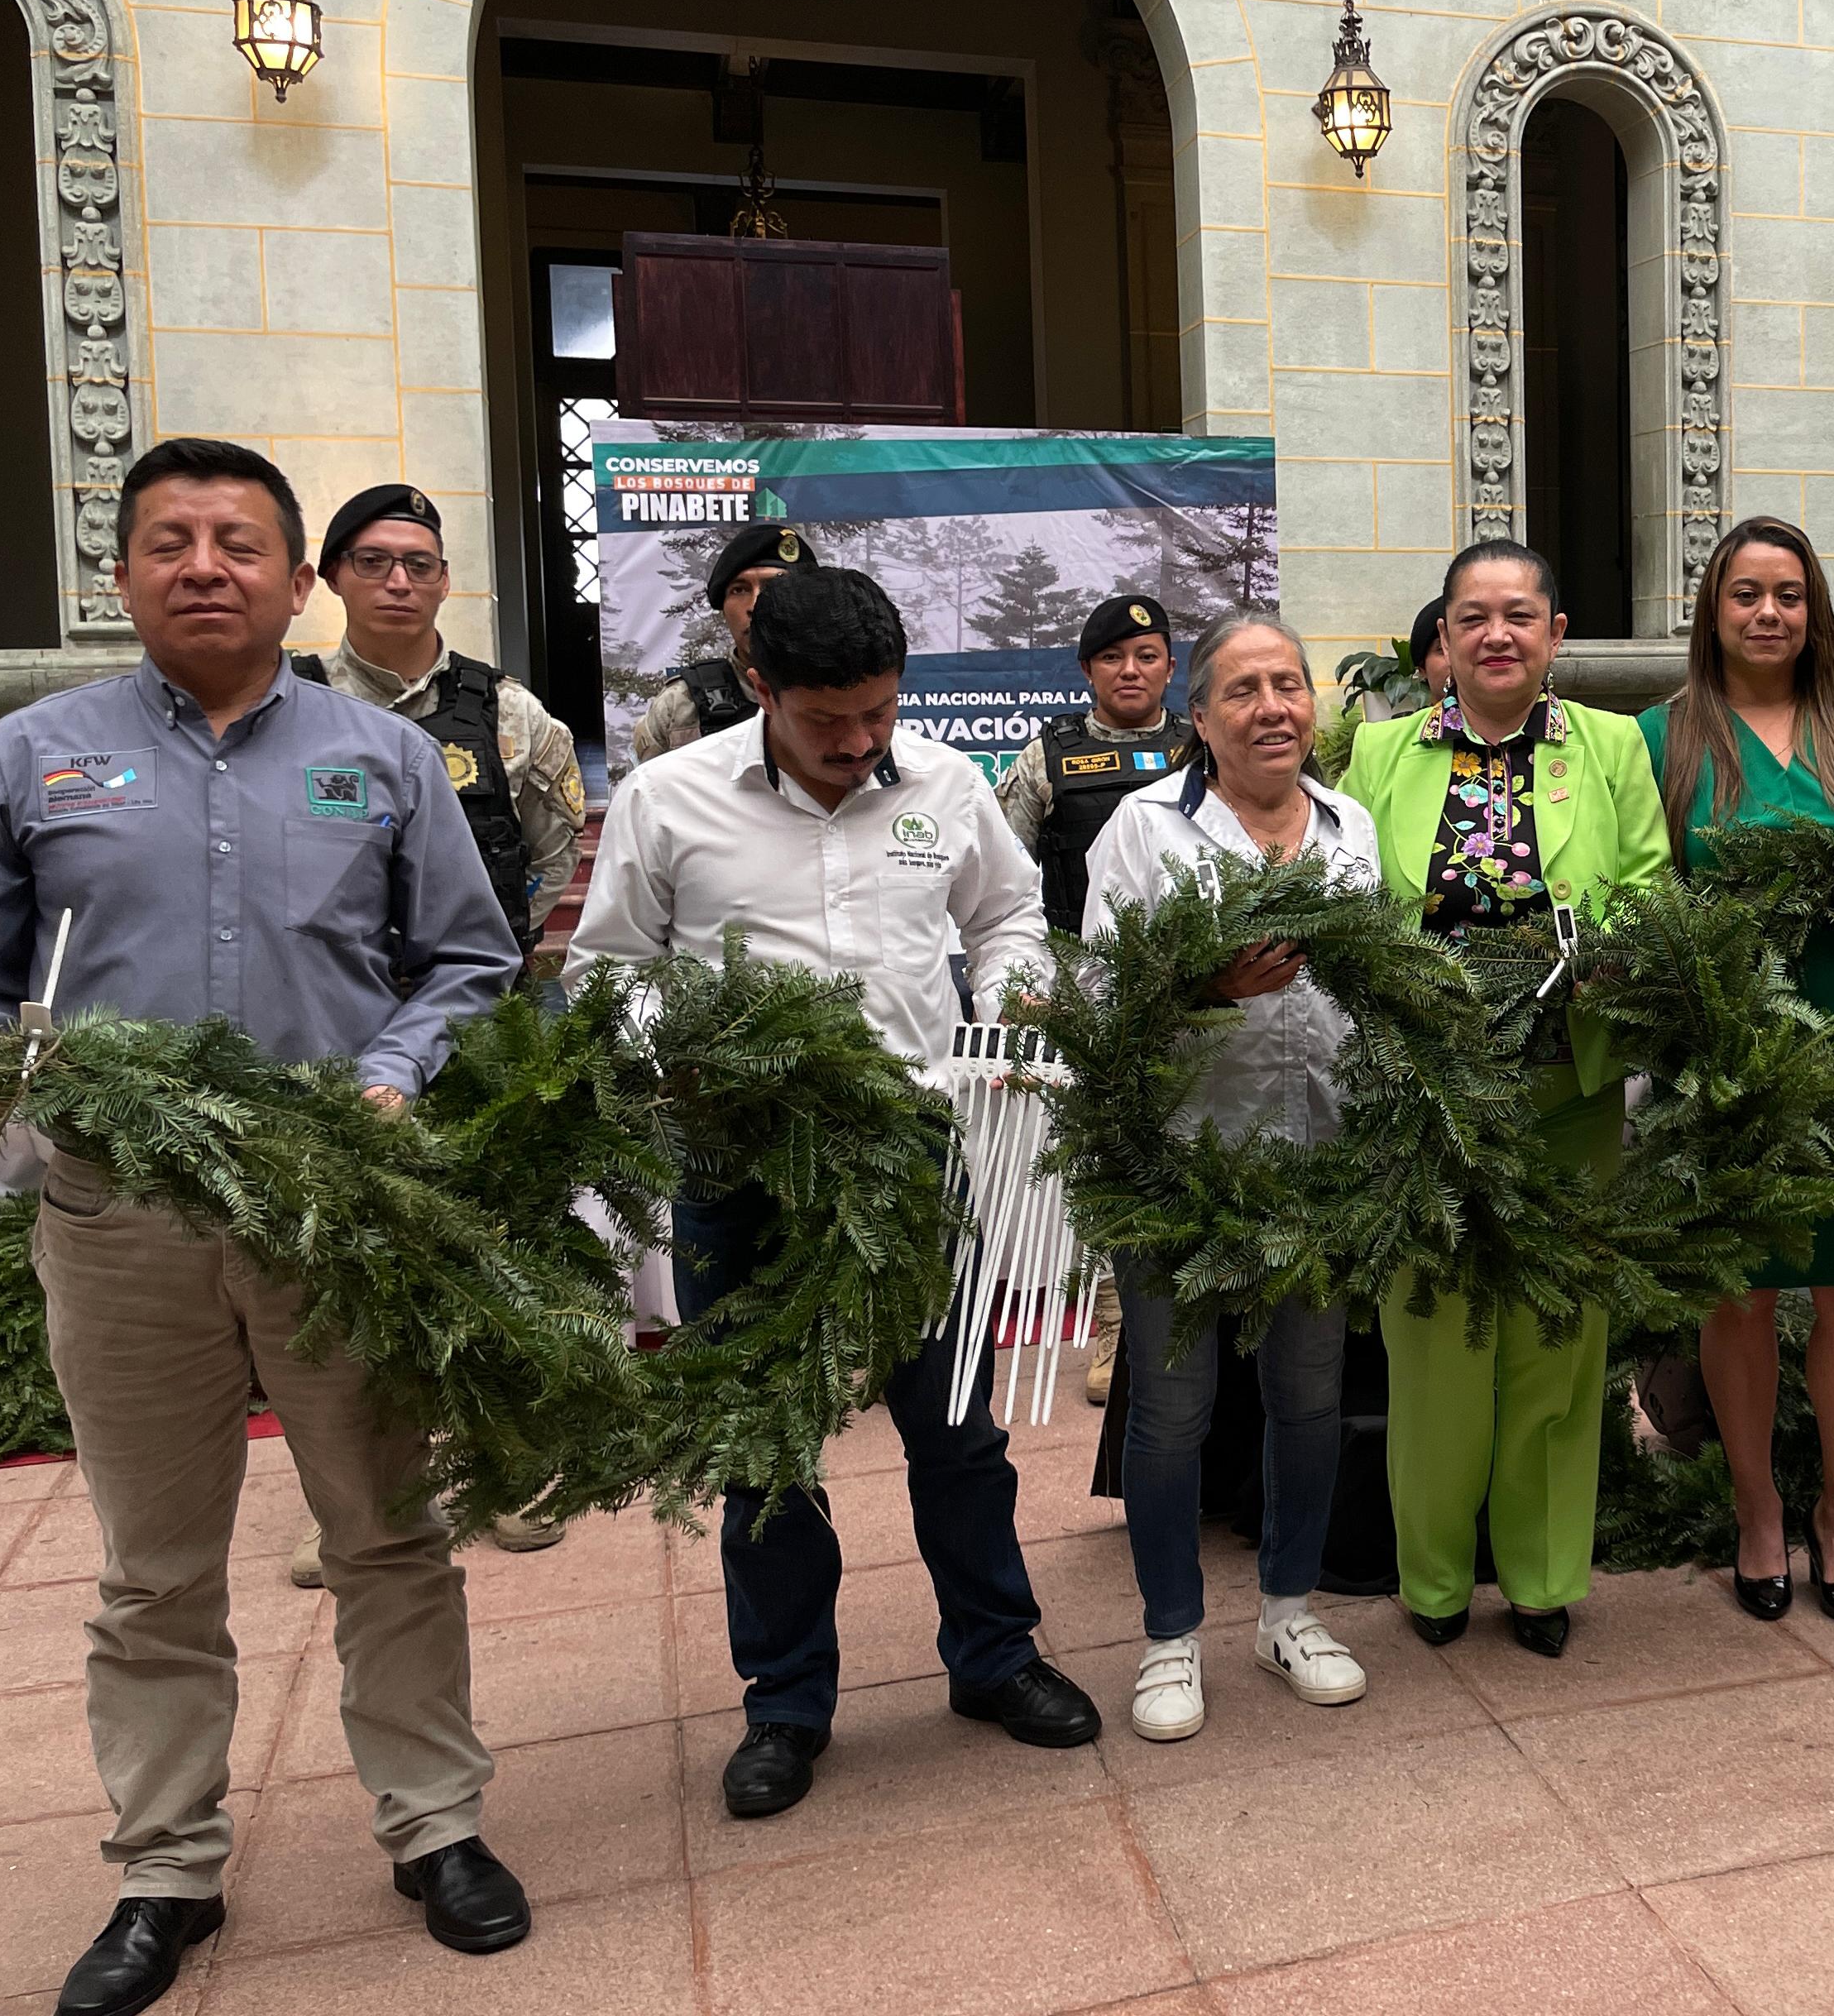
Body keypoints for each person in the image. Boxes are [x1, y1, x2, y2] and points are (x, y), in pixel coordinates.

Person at [0, 439, 533, 2014]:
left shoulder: (384, 757)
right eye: (168, 541)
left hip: (333, 1206)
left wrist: (394, 1075)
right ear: (124, 573)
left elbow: (464, 961)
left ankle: (436, 1825)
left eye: (236, 542)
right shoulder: (28, 756)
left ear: (296, 577)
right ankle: (164, 1867)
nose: (203, 565)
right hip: (114, 1210)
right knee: (154, 1564)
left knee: (385, 1531)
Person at [567, 567, 1101, 1819]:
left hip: (916, 1160)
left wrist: (1013, 988)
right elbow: (607, 976)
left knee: (958, 1433)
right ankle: (786, 1704)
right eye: (829, 722)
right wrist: (691, 1043)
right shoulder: (669, 800)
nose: (860, 744)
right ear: (760, 687)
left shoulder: (948, 786)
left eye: (879, 714)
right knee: (767, 1446)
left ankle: (996, 1657)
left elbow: (1009, 916)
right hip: (741, 1170)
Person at [1337, 541, 1672, 1657]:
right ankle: (1432, 1579)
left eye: (1520, 614)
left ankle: (1539, 1577)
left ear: (1555, 633)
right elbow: (1345, 895)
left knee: (1557, 1340)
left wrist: (1608, 956)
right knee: (1430, 1345)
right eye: (1474, 615)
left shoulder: (1612, 744)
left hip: (1564, 1082)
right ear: (1444, 636)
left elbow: (1647, 882)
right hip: (1423, 1093)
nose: (1497, 634)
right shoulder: (1380, 754)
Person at [1081, 615, 1374, 1741]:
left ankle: (1289, 1612)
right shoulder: (1144, 831)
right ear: (1198, 718)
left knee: (1307, 1397)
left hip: (1318, 1163)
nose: (1273, 708)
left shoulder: (1350, 829)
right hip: (1179, 1169)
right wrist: (1208, 989)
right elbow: (1102, 1003)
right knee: (1172, 1409)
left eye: (1290, 685)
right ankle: (1169, 1637)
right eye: (1243, 690)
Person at [288, 481, 587, 1580]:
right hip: (336, 1027)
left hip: (481, 1022)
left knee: (496, 1239)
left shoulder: (509, 715)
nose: (400, 582)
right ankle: (354, 1503)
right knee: (344, 1264)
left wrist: (494, 946)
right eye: (374, 562)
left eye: (420, 563)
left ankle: (501, 1472)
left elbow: (554, 846)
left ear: (446, 579)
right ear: (331, 579)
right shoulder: (290, 703)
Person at [1637, 519, 1834, 1629]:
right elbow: (1647, 900)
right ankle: (1758, 1511)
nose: (1769, 614)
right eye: (1746, 594)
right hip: (1726, 1069)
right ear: (1712, 610)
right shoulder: (1666, 740)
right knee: (1738, 1294)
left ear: (1817, 610)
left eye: (1789, 595)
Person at [995, 592, 1190, 1403]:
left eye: (1147, 656)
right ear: (1088, 671)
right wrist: (1025, 986)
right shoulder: (1046, 760)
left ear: (1171, 669)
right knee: (1107, 1159)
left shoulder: (1201, 747)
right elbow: (1002, 881)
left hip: (1196, 985)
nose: (1131, 670)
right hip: (1086, 985)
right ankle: (1115, 1327)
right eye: (1114, 657)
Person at [628, 524, 816, 764]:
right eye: (740, 590)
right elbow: (641, 794)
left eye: (776, 587)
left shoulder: (847, 694)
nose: (756, 605)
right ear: (724, 609)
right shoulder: (680, 706)